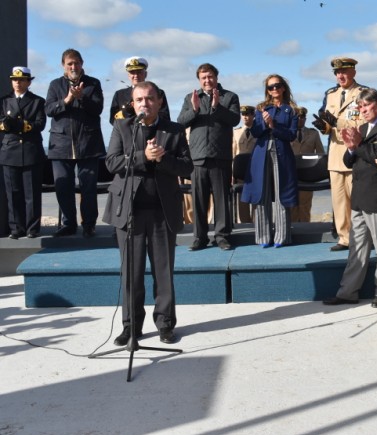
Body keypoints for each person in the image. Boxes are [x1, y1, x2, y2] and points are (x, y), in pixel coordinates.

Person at [103, 81, 193, 345]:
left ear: (160, 101)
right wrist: (144, 156)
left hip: (162, 211)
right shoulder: (122, 127)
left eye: (150, 98)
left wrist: (163, 158)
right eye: (139, 99)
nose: (145, 103)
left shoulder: (174, 131)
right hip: (129, 212)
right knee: (131, 273)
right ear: (133, 103)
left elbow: (187, 167)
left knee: (163, 272)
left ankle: (165, 324)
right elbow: (112, 162)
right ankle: (131, 326)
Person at [323, 88, 377, 308]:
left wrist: (359, 146)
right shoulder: (360, 128)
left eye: (365, 106)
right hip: (359, 195)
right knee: (356, 247)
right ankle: (348, 291)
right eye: (359, 107)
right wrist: (350, 149)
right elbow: (350, 162)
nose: (362, 110)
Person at [178, 63, 240, 251]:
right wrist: (195, 110)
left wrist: (217, 106)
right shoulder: (191, 98)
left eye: (210, 76)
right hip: (197, 157)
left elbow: (235, 119)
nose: (207, 80)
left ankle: (222, 236)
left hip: (220, 156)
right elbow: (181, 122)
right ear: (199, 80)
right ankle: (200, 237)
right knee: (198, 200)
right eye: (204, 78)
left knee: (222, 199)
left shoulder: (229, 96)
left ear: (216, 77)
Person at [44, 48, 106, 238]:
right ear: (63, 65)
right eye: (70, 63)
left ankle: (89, 225)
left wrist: (82, 98)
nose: (73, 66)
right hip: (61, 145)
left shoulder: (93, 83)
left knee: (88, 187)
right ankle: (68, 224)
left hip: (88, 144)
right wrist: (69, 99)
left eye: (77, 63)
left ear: (82, 64)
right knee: (63, 188)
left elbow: (98, 109)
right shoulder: (55, 85)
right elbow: (49, 110)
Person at [313, 57, 367, 252]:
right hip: (335, 154)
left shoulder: (363, 93)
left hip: (355, 153)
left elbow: (364, 123)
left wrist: (338, 123)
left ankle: (362, 237)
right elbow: (329, 125)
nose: (340, 76)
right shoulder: (330, 94)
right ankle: (344, 238)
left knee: (358, 200)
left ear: (353, 72)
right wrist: (324, 127)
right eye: (337, 73)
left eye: (344, 72)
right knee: (339, 200)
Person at [241, 74, 299, 247]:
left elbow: (291, 135)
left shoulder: (292, 110)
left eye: (277, 86)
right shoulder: (261, 108)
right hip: (261, 153)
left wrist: (274, 126)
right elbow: (256, 133)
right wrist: (260, 124)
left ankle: (282, 237)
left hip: (282, 152)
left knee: (282, 194)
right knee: (262, 194)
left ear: (283, 88)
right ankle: (263, 237)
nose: (274, 89)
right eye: (270, 87)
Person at [0, 67, 46, 239]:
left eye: (21, 80)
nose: (17, 83)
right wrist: (6, 125)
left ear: (28, 82)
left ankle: (32, 228)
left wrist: (23, 126)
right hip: (10, 151)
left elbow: (40, 123)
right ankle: (16, 229)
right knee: (13, 193)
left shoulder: (37, 101)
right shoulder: (4, 101)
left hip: (30, 150)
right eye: (14, 79)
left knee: (31, 193)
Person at [109, 56, 170, 125]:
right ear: (128, 75)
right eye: (132, 72)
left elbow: (165, 117)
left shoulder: (158, 92)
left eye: (139, 72)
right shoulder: (119, 95)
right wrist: (126, 112)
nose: (136, 75)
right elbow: (113, 121)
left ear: (145, 74)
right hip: (128, 133)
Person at [290, 106, 325, 223]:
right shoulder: (287, 133)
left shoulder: (313, 134)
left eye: (302, 117)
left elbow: (320, 154)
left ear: (305, 118)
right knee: (291, 205)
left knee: (305, 205)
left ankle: (306, 229)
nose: (300, 119)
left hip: (307, 175)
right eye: (297, 117)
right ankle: (293, 229)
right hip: (291, 174)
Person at [232, 105, 257, 223]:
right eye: (243, 115)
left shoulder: (258, 132)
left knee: (257, 202)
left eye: (248, 114)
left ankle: (257, 224)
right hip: (240, 173)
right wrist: (232, 174)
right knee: (242, 203)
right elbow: (233, 154)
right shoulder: (235, 133)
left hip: (255, 172)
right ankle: (245, 225)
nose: (245, 117)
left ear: (253, 115)